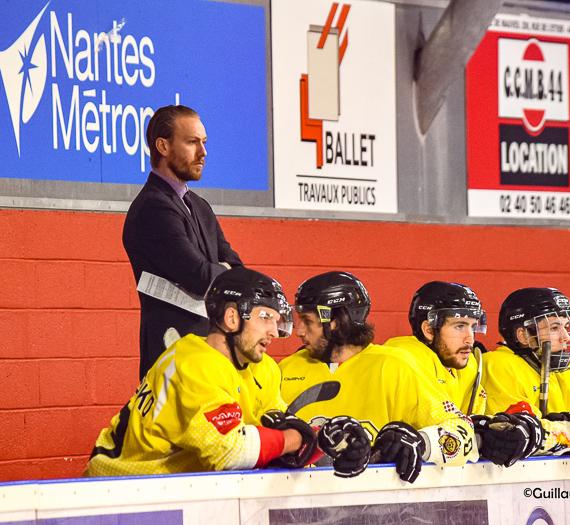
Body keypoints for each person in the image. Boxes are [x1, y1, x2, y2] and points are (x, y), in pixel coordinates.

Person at [86, 268, 370, 478]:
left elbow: (281, 433)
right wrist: (303, 438)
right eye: (265, 317)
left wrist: (328, 440)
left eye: (276, 320)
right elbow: (229, 452)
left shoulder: (263, 368)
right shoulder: (193, 363)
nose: (275, 331)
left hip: (173, 491)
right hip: (119, 488)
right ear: (232, 317)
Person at [281, 271, 542, 481]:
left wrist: (422, 443)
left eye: (307, 321)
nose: (299, 331)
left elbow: (461, 431)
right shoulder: (287, 369)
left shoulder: (393, 365)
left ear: (336, 321)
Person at [123, 105, 243, 378]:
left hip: (211, 354)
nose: (203, 152)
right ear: (163, 146)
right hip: (172, 358)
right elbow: (199, 277)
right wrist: (223, 271)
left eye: (204, 142)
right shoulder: (152, 208)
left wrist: (224, 272)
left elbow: (239, 273)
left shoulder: (200, 206)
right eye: (192, 142)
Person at [481, 287, 570, 460]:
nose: (566, 337)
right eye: (554, 328)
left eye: (566, 326)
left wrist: (558, 431)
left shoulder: (569, 373)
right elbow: (519, 436)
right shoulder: (498, 365)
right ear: (523, 335)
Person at [384, 281, 488, 416]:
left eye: (473, 327)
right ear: (429, 330)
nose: (470, 339)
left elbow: (470, 420)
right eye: (459, 326)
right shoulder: (403, 362)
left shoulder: (468, 366)